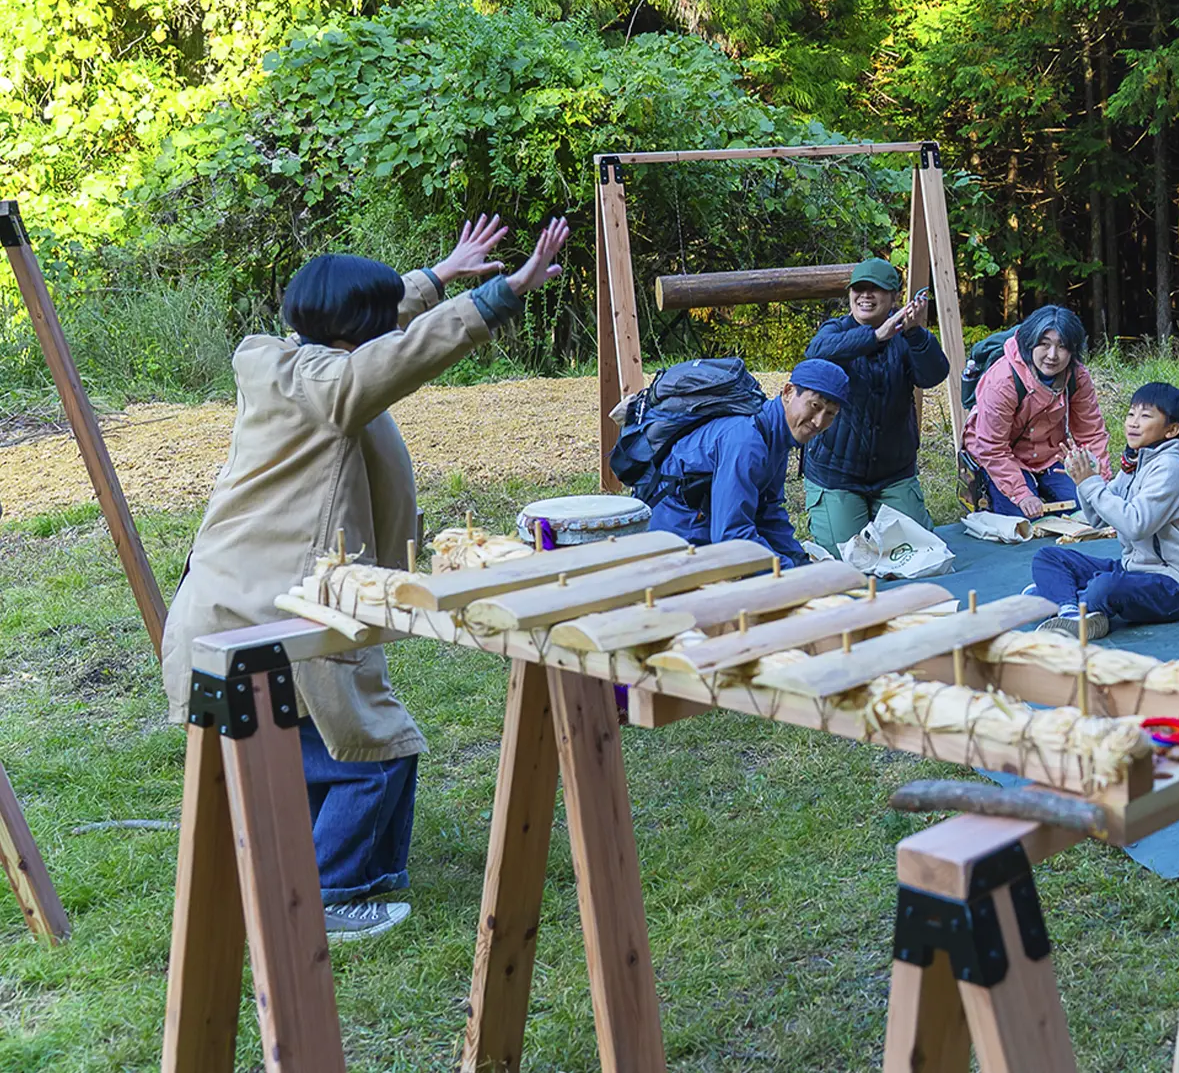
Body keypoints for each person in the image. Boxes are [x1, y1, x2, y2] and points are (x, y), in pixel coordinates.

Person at [161, 215, 571, 942]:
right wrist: (501, 295)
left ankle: (348, 878)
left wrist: (439, 276)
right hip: (282, 608)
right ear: (358, 330)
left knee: (304, 747)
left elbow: (381, 339)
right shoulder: (333, 386)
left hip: (227, 601)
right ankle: (332, 897)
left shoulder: (276, 359)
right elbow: (400, 356)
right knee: (372, 749)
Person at [1028, 382, 1179, 638]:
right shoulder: (1135, 462)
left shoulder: (1169, 468)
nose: (1133, 422)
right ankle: (1069, 611)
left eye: (1145, 416)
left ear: (1171, 430)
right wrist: (1083, 480)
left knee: (1105, 587)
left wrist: (1091, 483)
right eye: (1131, 414)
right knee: (1048, 557)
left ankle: (1062, 596)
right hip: (1132, 570)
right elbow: (1098, 519)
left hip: (1173, 587)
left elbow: (1135, 525)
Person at [800, 258, 948, 548]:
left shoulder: (909, 336)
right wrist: (876, 336)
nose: (865, 295)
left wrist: (915, 333)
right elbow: (815, 352)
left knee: (918, 555)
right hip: (836, 474)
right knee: (848, 561)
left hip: (894, 473)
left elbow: (934, 375)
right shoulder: (835, 330)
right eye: (859, 288)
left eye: (876, 289)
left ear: (894, 297)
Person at [646, 359, 848, 567]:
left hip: (704, 533)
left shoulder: (777, 436)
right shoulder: (746, 441)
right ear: (788, 392)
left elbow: (768, 512)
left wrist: (799, 561)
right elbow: (732, 540)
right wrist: (788, 572)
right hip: (675, 543)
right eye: (815, 406)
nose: (819, 422)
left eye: (830, 414)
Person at [963, 304, 1110, 519]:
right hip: (1001, 456)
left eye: (1062, 347)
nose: (1052, 355)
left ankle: (1043, 487)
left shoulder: (1077, 376)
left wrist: (1100, 480)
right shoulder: (1003, 381)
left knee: (1089, 508)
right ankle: (1022, 490)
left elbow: (1091, 433)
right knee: (1022, 520)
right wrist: (1021, 494)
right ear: (1030, 343)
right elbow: (992, 447)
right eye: (1044, 344)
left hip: (1049, 454)